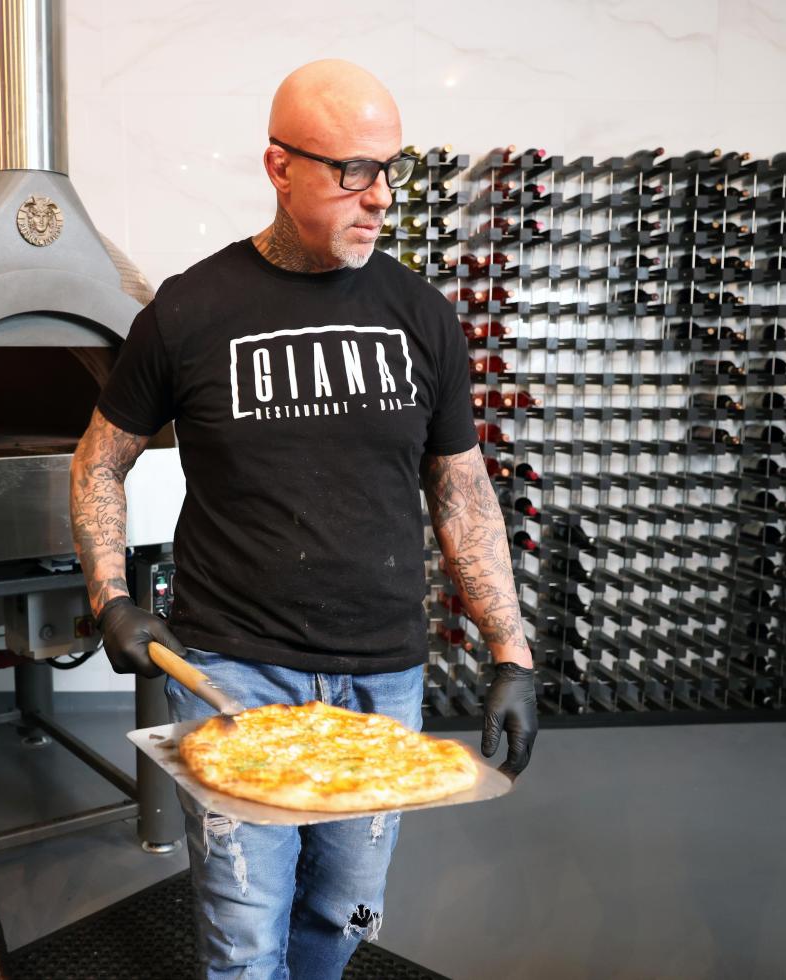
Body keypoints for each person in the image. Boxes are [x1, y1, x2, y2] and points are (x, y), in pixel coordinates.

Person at [70, 58, 537, 980]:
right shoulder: (189, 310)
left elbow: (462, 489)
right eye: (351, 171)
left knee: (345, 915)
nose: (382, 199)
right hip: (233, 677)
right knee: (244, 935)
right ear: (279, 168)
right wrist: (110, 596)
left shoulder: (421, 315)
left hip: (384, 677)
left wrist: (511, 650)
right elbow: (100, 460)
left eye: (391, 168)